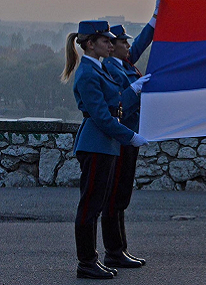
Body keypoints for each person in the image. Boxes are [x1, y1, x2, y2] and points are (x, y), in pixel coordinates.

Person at [60, 20, 149, 279]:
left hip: (105, 144)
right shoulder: (87, 73)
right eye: (105, 41)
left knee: (97, 204)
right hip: (96, 143)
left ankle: (94, 259)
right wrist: (130, 136)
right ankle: (86, 261)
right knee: (90, 205)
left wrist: (133, 91)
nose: (110, 44)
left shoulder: (98, 68)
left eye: (112, 41)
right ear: (90, 44)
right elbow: (102, 116)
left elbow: (117, 102)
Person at [100, 6, 156, 268]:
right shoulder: (112, 67)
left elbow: (141, 45)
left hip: (129, 136)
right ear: (114, 46)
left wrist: (155, 21)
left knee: (121, 195)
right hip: (123, 137)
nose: (128, 47)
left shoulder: (121, 62)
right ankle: (114, 250)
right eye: (123, 42)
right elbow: (121, 104)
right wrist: (136, 90)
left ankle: (120, 248)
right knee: (115, 196)